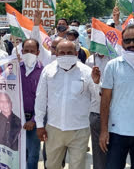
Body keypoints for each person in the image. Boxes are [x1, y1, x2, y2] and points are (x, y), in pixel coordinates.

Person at [35, 40, 100, 169]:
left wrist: (97, 83)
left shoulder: (87, 72)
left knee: (77, 166)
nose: (65, 55)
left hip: (79, 130)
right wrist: (39, 125)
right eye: (62, 53)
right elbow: (40, 98)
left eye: (69, 53)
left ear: (76, 53)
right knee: (52, 165)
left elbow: (97, 100)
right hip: (54, 129)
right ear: (56, 54)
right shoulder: (48, 70)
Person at [100, 25, 134, 168]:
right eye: (127, 40)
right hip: (117, 132)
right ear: (122, 42)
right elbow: (105, 101)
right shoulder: (113, 66)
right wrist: (104, 130)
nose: (131, 44)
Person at [21, 38, 43, 169]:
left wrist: (34, 120)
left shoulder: (44, 71)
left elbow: (44, 99)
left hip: (35, 120)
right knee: (19, 153)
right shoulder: (14, 70)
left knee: (33, 155)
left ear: (38, 52)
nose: (29, 53)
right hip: (17, 119)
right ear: (22, 51)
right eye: (26, 50)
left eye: (32, 51)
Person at [85, 53, 110, 169]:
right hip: (96, 111)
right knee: (99, 152)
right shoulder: (91, 60)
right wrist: (96, 83)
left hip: (115, 113)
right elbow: (88, 87)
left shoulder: (115, 59)